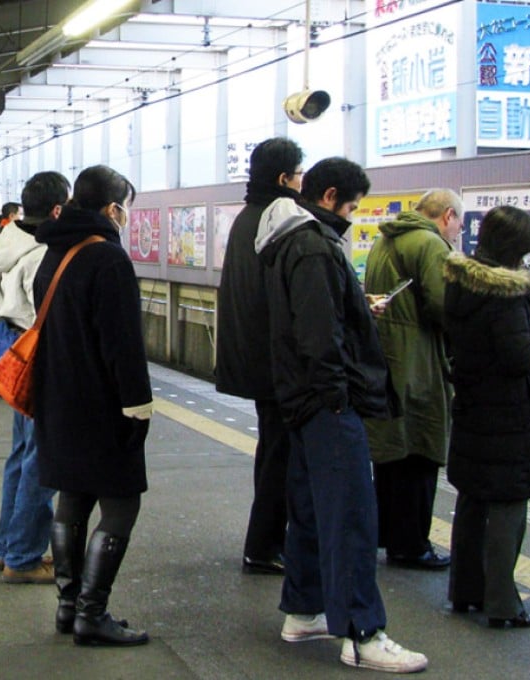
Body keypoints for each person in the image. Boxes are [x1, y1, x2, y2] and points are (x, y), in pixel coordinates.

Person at [257, 157, 427, 673]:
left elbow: (317, 319)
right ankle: (361, 632)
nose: (352, 216)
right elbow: (317, 335)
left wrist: (355, 304)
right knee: (351, 513)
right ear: (329, 196)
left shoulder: (287, 239)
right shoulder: (313, 245)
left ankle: (305, 610)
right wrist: (337, 396)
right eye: (351, 205)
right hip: (326, 402)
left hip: (301, 399)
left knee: (310, 508)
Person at [33, 165, 152, 647]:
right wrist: (137, 406)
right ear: (111, 208)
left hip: (57, 398)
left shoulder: (55, 253)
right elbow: (123, 345)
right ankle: (92, 612)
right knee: (122, 503)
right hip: (102, 405)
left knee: (74, 496)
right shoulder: (108, 260)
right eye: (126, 205)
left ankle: (67, 605)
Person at [442, 205, 530, 629]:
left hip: (473, 404)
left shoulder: (461, 283)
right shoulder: (506, 296)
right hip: (507, 413)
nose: (528, 262)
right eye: (527, 254)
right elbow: (519, 359)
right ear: (514, 250)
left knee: (474, 497)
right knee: (509, 503)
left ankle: (465, 592)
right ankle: (502, 604)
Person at [215, 137, 304, 575]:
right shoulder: (279, 219)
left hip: (254, 356)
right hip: (274, 361)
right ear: (285, 178)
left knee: (273, 449)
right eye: (299, 172)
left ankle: (265, 542)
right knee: (279, 454)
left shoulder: (248, 217)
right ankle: (264, 545)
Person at [363, 189, 464, 570]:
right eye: (459, 225)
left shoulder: (385, 239)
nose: (458, 233)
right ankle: (411, 545)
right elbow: (444, 306)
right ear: (448, 216)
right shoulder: (430, 244)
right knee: (419, 451)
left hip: (386, 357)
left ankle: (388, 534)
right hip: (417, 362)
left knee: (390, 455)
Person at [0, 171, 71, 585]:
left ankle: (7, 547)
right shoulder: (41, 254)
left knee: (20, 454)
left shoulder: (7, 243)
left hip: (11, 348)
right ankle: (22, 556)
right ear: (58, 209)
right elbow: (46, 314)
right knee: (40, 456)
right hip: (34, 354)